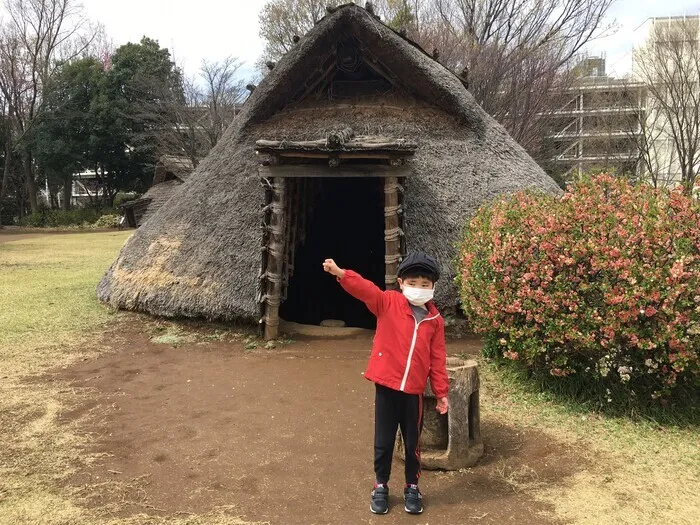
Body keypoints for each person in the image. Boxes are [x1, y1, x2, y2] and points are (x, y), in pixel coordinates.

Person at [322, 252, 449, 515]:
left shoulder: (435, 321)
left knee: (412, 442)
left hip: (413, 392)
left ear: (433, 288)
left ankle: (412, 487)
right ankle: (380, 485)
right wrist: (342, 274)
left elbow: (437, 359)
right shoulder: (388, 303)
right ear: (401, 283)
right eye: (413, 283)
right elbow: (366, 290)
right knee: (383, 440)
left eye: (426, 285)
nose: (419, 289)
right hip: (386, 387)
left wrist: (441, 393)